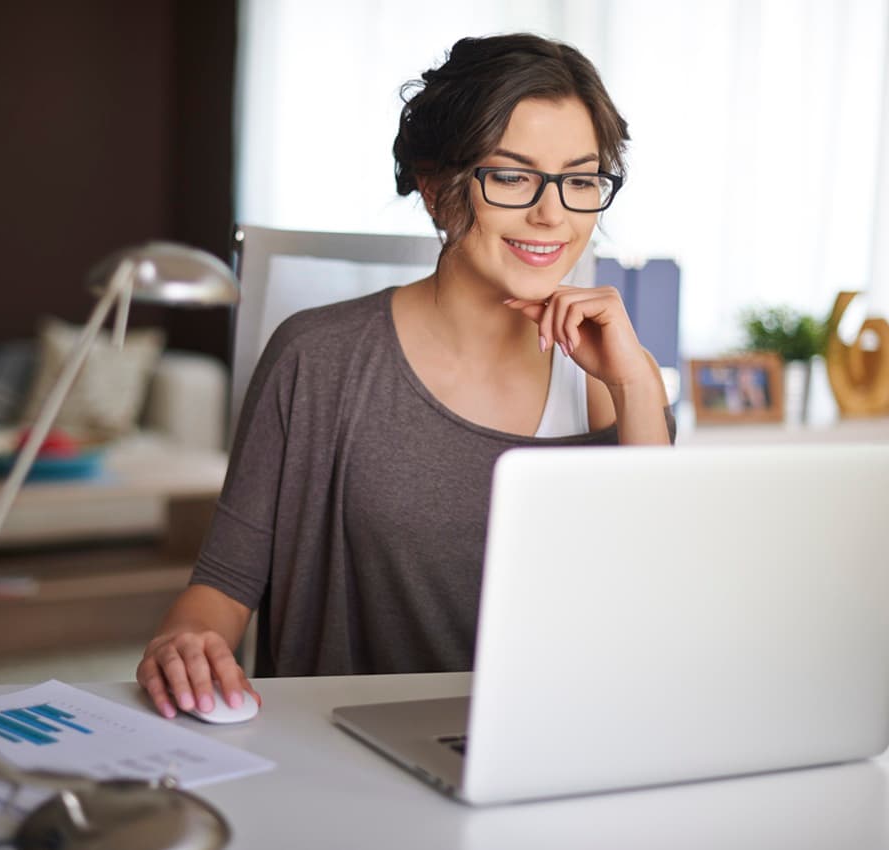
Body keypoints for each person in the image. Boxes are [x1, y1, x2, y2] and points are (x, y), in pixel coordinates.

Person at [137, 33, 674, 719]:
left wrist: (634, 390)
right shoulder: (317, 357)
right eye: (511, 176)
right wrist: (187, 641)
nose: (554, 213)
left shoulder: (622, 376)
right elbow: (222, 587)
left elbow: (658, 617)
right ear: (435, 187)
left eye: (580, 178)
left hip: (560, 750)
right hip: (347, 763)